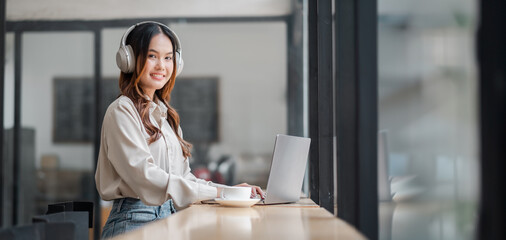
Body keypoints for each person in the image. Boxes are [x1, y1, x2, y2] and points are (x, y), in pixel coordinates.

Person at [95, 21, 264, 239]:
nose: (161, 66)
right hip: (135, 219)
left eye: (168, 57)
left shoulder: (166, 117)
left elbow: (184, 179)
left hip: (171, 218)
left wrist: (229, 191)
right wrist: (221, 192)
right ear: (129, 59)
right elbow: (145, 178)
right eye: (152, 56)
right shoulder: (121, 111)